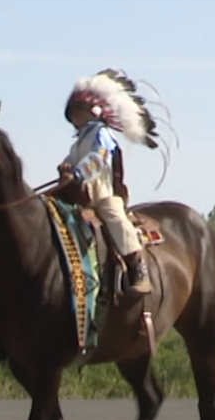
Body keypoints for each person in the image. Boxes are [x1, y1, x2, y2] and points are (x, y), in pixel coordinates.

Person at [56, 69, 162, 296]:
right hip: (81, 196)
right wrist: (65, 169)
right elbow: (72, 158)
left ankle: (138, 267)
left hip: (102, 195)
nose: (74, 118)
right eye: (72, 114)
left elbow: (99, 157)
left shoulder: (100, 134)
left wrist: (77, 174)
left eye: (77, 112)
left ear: (93, 111)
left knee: (115, 218)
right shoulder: (79, 141)